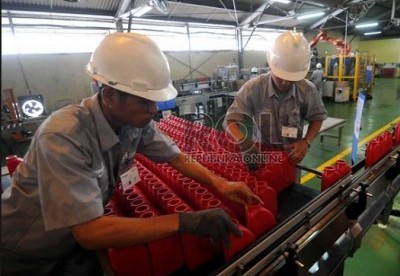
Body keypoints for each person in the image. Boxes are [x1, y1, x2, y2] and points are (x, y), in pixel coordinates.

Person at [1, 32, 260, 276]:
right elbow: (89, 231)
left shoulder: (133, 122)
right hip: (23, 254)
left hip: (68, 248)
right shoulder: (63, 138)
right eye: (144, 101)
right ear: (110, 95)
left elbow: (175, 157)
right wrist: (186, 221)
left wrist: (221, 184)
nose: (154, 109)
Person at [223, 31, 328, 170]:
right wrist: (243, 142)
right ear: (272, 65)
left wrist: (306, 142)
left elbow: (317, 117)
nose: (285, 82)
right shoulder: (254, 88)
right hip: (261, 159)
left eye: (291, 79)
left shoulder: (307, 90)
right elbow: (229, 121)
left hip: (291, 160)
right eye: (281, 76)